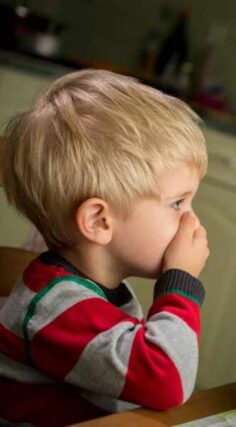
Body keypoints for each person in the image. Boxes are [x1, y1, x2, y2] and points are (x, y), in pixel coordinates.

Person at [0, 69, 209, 426]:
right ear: (99, 221)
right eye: (177, 203)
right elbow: (167, 381)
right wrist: (180, 284)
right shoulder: (55, 309)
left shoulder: (94, 290)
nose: (191, 221)